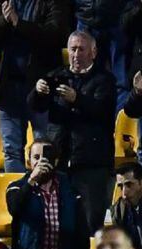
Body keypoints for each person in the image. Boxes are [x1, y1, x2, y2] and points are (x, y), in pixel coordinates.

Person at [28, 30, 116, 236]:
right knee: (60, 224)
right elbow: (36, 106)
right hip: (60, 161)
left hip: (91, 164)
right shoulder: (58, 76)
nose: (76, 54)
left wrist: (77, 99)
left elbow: (102, 111)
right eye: (72, 49)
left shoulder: (105, 80)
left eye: (81, 49)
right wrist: (38, 91)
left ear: (93, 52)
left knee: (89, 223)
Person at [0, 0, 69, 172]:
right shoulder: (1, 2)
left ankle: (43, 195)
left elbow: (56, 34)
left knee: (44, 149)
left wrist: (19, 24)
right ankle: (18, 194)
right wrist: (4, 21)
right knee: (11, 150)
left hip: (41, 88)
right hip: (9, 87)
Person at [109, 162, 142, 249]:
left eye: (129, 185)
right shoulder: (118, 211)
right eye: (121, 186)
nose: (124, 193)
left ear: (140, 183)